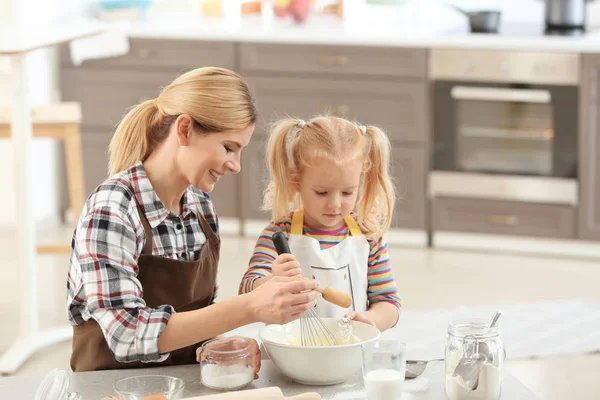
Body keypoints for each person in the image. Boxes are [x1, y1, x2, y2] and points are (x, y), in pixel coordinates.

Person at [66, 67, 318, 373]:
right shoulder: (112, 208)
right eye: (228, 148)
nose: (236, 166)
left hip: (181, 386)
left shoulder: (201, 208)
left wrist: (220, 345)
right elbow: (127, 335)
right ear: (184, 129)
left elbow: (197, 320)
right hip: (112, 391)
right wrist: (250, 307)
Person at [239, 115, 402, 332]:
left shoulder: (368, 237)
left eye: (347, 192)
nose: (335, 204)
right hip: (291, 353)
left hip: (349, 351)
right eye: (321, 192)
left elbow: (389, 302)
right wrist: (271, 280)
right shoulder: (279, 234)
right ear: (296, 181)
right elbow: (247, 290)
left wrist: (370, 320)